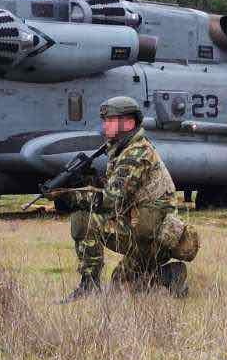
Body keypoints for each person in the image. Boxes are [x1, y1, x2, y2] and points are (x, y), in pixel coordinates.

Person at [60, 96, 199, 300]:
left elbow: (111, 201)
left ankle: (88, 287)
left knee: (83, 218)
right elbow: (117, 193)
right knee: (120, 283)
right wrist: (89, 179)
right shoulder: (123, 150)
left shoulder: (136, 153)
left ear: (128, 123)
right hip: (145, 234)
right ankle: (169, 275)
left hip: (152, 238)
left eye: (110, 120)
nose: (104, 125)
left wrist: (72, 198)